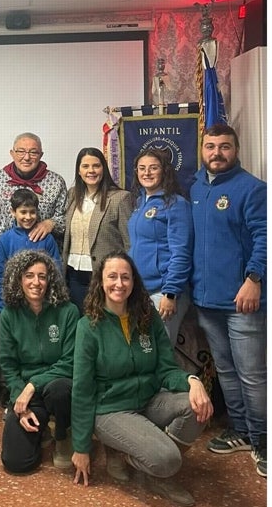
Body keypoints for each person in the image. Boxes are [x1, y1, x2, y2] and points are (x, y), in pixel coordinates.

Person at [71, 251, 213, 506]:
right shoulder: (88, 327)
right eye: (112, 276)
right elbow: (82, 389)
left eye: (126, 277)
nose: (119, 283)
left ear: (134, 282)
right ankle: (134, 453)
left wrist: (193, 380)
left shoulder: (148, 318)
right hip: (110, 409)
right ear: (100, 282)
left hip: (148, 399)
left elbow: (166, 369)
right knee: (167, 458)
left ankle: (158, 472)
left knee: (198, 405)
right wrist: (81, 447)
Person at [190, 123, 266, 477]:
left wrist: (254, 279)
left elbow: (266, 237)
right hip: (206, 300)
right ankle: (241, 431)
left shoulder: (252, 189)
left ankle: (264, 441)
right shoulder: (194, 188)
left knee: (252, 375)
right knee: (226, 371)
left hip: (242, 302)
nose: (216, 153)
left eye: (224, 146)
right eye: (210, 147)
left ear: (235, 149)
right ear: (202, 150)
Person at [0, 249, 78, 473]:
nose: (36, 282)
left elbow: (70, 361)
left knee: (61, 389)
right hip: (27, 394)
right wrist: (20, 404)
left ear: (50, 280)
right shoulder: (9, 315)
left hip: (58, 388)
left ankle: (63, 432)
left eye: (42, 276)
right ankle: (42, 426)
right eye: (29, 275)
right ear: (19, 279)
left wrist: (33, 384)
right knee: (16, 463)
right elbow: (8, 366)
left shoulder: (68, 312)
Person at [128, 148, 193, 342]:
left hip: (163, 291)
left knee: (161, 355)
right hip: (140, 290)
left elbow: (181, 252)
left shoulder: (175, 204)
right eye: (142, 168)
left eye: (153, 168)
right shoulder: (140, 203)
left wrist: (170, 292)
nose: (146, 173)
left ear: (164, 171)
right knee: (144, 352)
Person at [62, 147, 131, 313]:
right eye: (85, 166)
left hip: (106, 275)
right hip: (74, 275)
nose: (91, 171)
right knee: (81, 323)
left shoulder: (120, 198)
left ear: (103, 169)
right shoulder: (72, 195)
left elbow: (130, 243)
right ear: (79, 171)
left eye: (96, 166)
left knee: (105, 323)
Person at [0, 133, 67, 248]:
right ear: (12, 153)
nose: (27, 157)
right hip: (4, 252)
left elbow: (66, 218)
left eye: (33, 152)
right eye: (21, 151)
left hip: (41, 252)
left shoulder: (56, 182)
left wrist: (51, 223)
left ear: (41, 155)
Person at [0, 189, 62, 312]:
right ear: (13, 212)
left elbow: (57, 273)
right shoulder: (5, 240)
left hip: (43, 304)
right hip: (14, 305)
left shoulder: (47, 239)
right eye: (23, 212)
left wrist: (53, 303)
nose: (28, 217)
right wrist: (2, 308)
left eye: (32, 212)